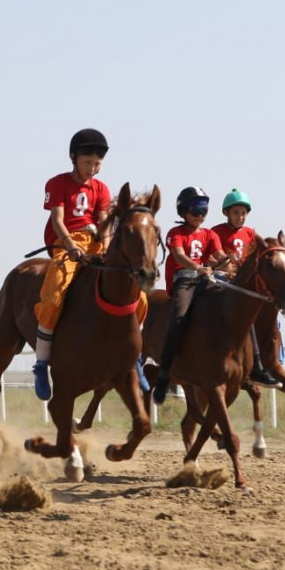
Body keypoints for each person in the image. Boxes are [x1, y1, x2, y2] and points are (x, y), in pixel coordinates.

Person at [31, 128, 149, 400]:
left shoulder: (102, 188)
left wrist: (106, 248)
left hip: (97, 246)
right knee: (54, 295)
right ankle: (41, 363)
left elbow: (105, 222)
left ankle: (136, 357)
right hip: (67, 245)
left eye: (97, 164)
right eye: (87, 163)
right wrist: (70, 245)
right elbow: (58, 220)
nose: (92, 169)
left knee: (139, 297)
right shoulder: (57, 183)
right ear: (73, 157)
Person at [150, 187, 229, 404]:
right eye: (196, 209)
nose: (201, 215)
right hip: (184, 280)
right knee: (179, 317)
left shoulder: (210, 235)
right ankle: (165, 371)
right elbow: (179, 256)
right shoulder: (175, 234)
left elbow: (220, 255)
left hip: (205, 279)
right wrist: (198, 267)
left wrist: (232, 263)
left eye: (204, 209)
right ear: (184, 211)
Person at [212, 188, 282, 388]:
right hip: (223, 279)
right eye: (236, 212)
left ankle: (265, 361)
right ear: (226, 213)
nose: (240, 217)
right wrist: (223, 266)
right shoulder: (215, 232)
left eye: (243, 213)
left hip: (245, 283)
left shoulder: (251, 233)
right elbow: (209, 257)